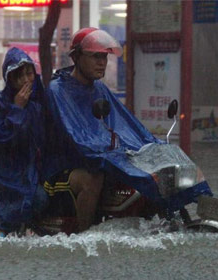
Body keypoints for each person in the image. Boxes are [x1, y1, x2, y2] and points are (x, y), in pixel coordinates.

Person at [43, 28, 162, 233]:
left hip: (98, 159)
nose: (102, 62)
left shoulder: (100, 89)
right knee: (92, 179)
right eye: (95, 56)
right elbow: (74, 134)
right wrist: (100, 149)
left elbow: (124, 124)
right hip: (62, 167)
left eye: (105, 57)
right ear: (76, 57)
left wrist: (153, 146)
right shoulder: (57, 90)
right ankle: (84, 237)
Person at [0, 47, 47, 237]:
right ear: (10, 79)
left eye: (30, 73)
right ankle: (2, 229)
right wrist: (17, 109)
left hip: (31, 170)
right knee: (38, 199)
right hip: (6, 173)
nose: (27, 80)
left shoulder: (36, 104)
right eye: (20, 76)